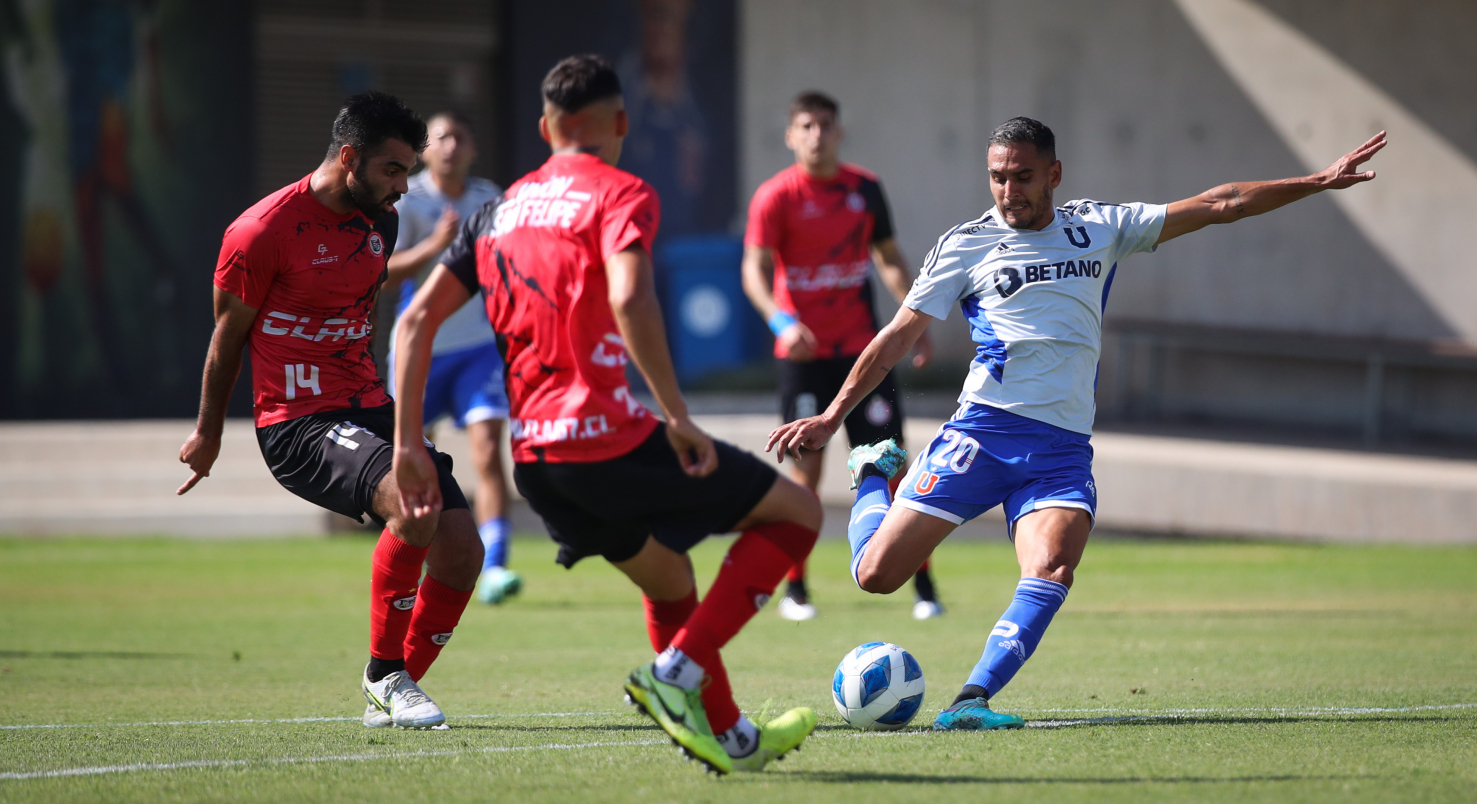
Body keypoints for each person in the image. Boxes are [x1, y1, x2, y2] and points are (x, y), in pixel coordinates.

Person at [768, 117, 1387, 730]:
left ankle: (971, 700)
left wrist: (1315, 181)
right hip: (981, 434)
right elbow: (894, 340)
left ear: (1054, 174)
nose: (1009, 191)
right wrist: (832, 417)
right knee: (875, 576)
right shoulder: (966, 244)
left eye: (1023, 177)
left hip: (1061, 449)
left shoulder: (1100, 226)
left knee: (1053, 568)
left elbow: (1222, 203)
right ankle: (873, 474)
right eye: (998, 178)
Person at [392, 55, 822, 774]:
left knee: (670, 580)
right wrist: (677, 416)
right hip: (604, 442)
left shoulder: (493, 212)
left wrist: (409, 445)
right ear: (619, 123)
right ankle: (675, 671)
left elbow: (411, 327)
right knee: (798, 515)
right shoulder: (621, 192)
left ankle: (734, 737)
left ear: (545, 127)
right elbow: (630, 298)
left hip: (535, 461)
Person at [178, 92, 484, 731]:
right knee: (412, 501)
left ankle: (394, 686)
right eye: (392, 170)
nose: (404, 187)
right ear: (350, 158)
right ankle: (385, 678)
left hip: (369, 406)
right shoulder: (259, 231)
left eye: (407, 171)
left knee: (461, 550)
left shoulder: (382, 218)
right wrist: (208, 432)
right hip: (297, 422)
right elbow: (226, 338)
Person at [741, 90, 944, 621]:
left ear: (839, 131)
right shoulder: (775, 196)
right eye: (805, 126)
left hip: (864, 355)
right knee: (805, 475)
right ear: (790, 135)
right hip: (803, 357)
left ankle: (923, 590)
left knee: (891, 466)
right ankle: (797, 589)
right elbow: (754, 270)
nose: (816, 135)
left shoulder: (864, 189)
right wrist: (782, 321)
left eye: (825, 125)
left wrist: (913, 318)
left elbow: (890, 258)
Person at [385, 110, 522, 605]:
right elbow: (383, 273)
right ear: (425, 150)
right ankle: (414, 560)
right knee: (416, 459)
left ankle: (498, 565)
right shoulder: (407, 198)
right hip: (420, 347)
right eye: (441, 137)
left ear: (473, 149)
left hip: (479, 351)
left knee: (487, 449)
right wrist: (439, 246)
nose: (450, 146)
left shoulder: (492, 199)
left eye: (460, 137)